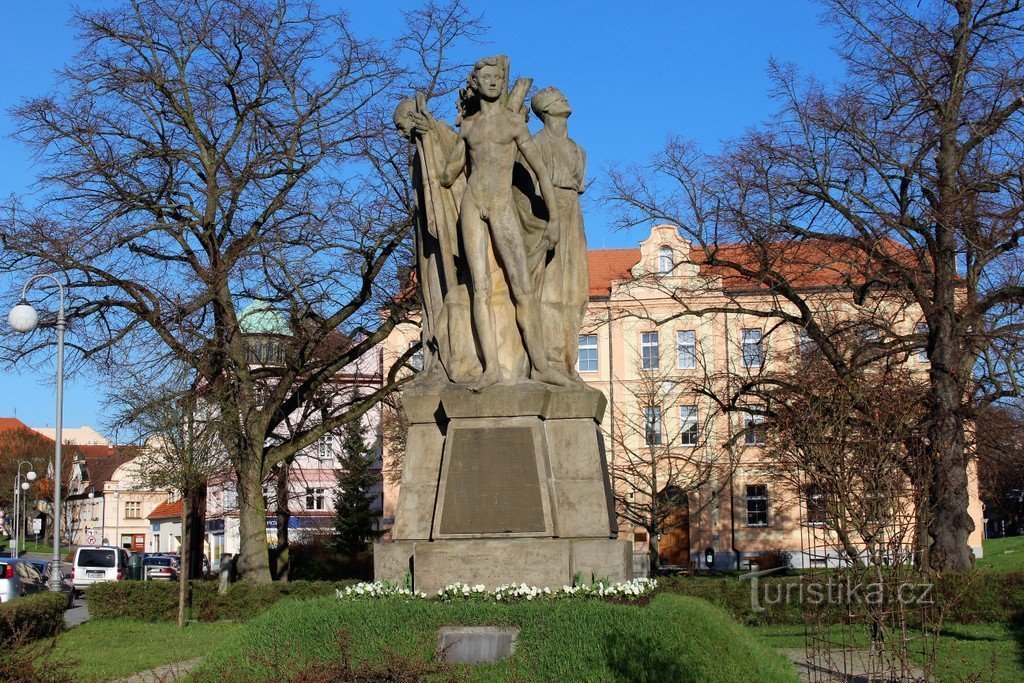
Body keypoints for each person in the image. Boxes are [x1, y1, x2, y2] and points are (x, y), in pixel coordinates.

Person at [411, 56, 572, 390]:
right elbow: (446, 174)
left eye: (498, 77)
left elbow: (540, 170)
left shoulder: (513, 124)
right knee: (480, 290)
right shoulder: (468, 127)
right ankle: (492, 369)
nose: (494, 82)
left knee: (521, 285)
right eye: (486, 77)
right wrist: (428, 136)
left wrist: (554, 218)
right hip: (473, 205)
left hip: (501, 205)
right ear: (477, 83)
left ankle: (540, 365)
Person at [527, 86, 589, 381]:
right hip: (544, 213)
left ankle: (568, 362)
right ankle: (550, 361)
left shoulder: (579, 150)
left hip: (573, 213)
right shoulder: (535, 144)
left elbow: (577, 183)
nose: (565, 98)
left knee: (576, 291)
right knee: (550, 290)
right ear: (546, 108)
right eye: (557, 97)